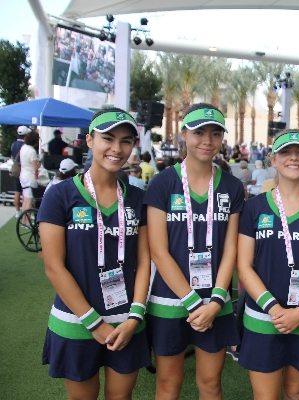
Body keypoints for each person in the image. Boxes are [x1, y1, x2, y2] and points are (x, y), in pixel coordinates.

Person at [37, 108, 151, 398]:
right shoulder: (60, 195)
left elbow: (143, 262)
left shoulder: (138, 198)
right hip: (77, 322)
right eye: (108, 138)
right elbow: (53, 266)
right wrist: (94, 323)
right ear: (89, 140)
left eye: (126, 141)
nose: (117, 148)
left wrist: (135, 317)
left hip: (127, 321)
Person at [145, 103, 243, 399]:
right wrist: (192, 301)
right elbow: (158, 251)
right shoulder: (163, 182)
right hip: (169, 301)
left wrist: (214, 302)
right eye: (199, 132)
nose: (207, 140)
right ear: (183, 134)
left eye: (215, 133)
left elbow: (231, 249)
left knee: (211, 384)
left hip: (215, 301)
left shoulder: (232, 186)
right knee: (167, 384)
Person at [237, 129, 299, 399]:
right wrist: (274, 308)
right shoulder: (254, 208)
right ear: (273, 159)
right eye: (286, 152)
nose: (293, 158)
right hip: (263, 317)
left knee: (296, 392)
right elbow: (244, 265)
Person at [19, 130, 41, 213]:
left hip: (23, 175)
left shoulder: (23, 147)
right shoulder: (32, 151)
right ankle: (26, 220)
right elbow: (36, 166)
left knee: (25, 199)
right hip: (30, 177)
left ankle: (24, 220)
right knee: (29, 200)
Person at [10, 125, 29, 218]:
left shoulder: (13, 144)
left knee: (17, 191)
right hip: (24, 170)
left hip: (16, 170)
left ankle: (17, 212)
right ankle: (25, 211)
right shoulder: (25, 146)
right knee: (26, 192)